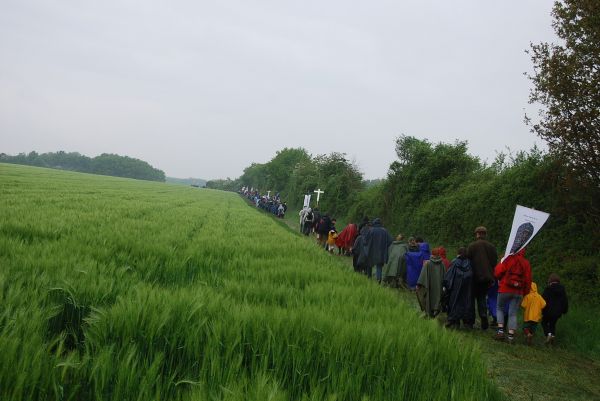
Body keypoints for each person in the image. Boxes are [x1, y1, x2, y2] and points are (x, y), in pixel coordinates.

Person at [493, 248, 532, 344]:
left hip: (505, 288)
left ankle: (500, 332)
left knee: (500, 308)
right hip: (518, 292)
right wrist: (525, 292)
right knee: (513, 313)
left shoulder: (508, 258)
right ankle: (511, 337)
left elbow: (498, 272)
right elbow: (528, 280)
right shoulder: (526, 263)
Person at [467, 226, 498, 330]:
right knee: (482, 298)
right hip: (486, 278)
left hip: (473, 277)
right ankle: (484, 318)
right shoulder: (492, 247)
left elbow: (468, 262)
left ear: (477, 234)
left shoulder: (472, 246)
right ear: (485, 234)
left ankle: (470, 322)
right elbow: (494, 263)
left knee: (471, 299)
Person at [443, 247, 473, 328]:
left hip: (455, 288)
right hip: (466, 288)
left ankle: (454, 320)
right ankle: (467, 321)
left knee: (454, 303)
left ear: (458, 253)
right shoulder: (470, 263)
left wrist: (446, 285)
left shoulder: (454, 262)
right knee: (466, 303)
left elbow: (448, 276)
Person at [416, 247, 446, 318]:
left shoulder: (427, 263)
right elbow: (445, 276)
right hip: (438, 287)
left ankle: (428, 313)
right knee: (437, 298)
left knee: (428, 297)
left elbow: (422, 276)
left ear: (432, 254)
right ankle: (436, 311)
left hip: (429, 286)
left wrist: (418, 284)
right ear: (438, 254)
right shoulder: (442, 264)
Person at [541, 273, 569, 345]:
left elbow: (543, 300)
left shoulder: (548, 289)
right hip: (557, 312)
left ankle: (548, 334)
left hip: (548, 311)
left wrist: (541, 309)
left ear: (550, 280)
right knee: (552, 324)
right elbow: (565, 301)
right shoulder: (562, 289)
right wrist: (564, 310)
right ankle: (552, 336)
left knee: (544, 322)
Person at [363, 218, 393, 283]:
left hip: (371, 251)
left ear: (374, 223)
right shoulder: (384, 231)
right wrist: (385, 245)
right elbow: (390, 240)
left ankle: (369, 277)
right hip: (381, 252)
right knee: (379, 266)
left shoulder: (371, 230)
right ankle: (378, 280)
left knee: (369, 264)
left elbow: (365, 241)